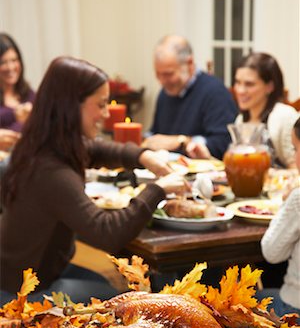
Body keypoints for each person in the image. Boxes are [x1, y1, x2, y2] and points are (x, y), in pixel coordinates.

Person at [0, 56, 189, 304]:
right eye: (100, 105)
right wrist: (157, 190)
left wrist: (144, 156)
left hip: (30, 273)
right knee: (128, 303)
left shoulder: (43, 144)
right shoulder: (52, 171)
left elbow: (97, 150)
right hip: (21, 295)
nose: (106, 113)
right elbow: (106, 232)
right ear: (71, 105)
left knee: (114, 285)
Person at [143, 35, 238, 160]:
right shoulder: (165, 93)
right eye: (158, 74)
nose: (162, 81)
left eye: (168, 74)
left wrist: (182, 141)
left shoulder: (215, 92)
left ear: (190, 64)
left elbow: (223, 144)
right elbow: (156, 134)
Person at [260, 117, 300, 317]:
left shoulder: (298, 198)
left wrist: (286, 202)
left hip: (294, 311)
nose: (294, 157)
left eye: (295, 148)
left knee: (233, 305)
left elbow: (271, 252)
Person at [232, 52, 298, 169]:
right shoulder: (240, 120)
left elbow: (296, 169)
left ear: (269, 87)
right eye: (237, 82)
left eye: (249, 84)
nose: (241, 90)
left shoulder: (284, 117)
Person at [0, 33, 35, 132]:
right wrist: (15, 116)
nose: (10, 67)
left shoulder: (29, 94)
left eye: (14, 60)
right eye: (3, 62)